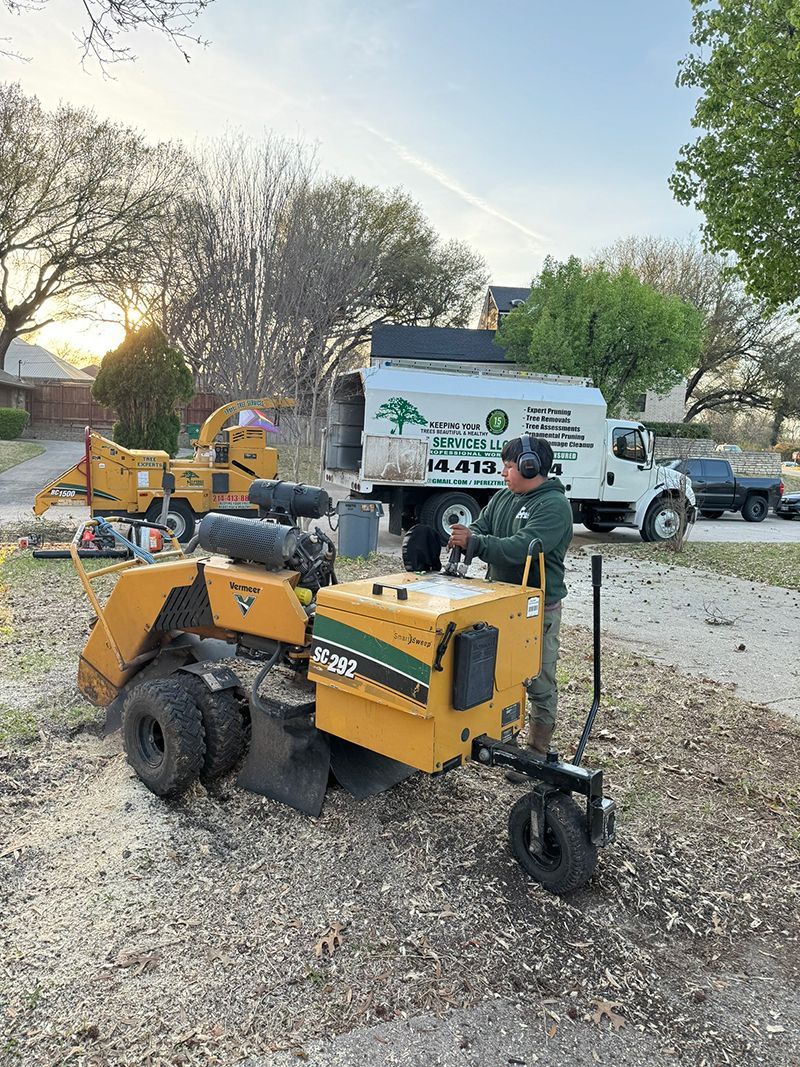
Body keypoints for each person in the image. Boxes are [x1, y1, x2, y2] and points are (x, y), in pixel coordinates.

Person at [448, 436, 573, 761]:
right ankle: (506, 735)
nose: (503, 472)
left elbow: (523, 546)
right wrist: (465, 536)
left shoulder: (554, 506)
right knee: (501, 674)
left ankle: (536, 749)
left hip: (537, 609)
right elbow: (482, 525)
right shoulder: (503, 498)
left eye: (509, 466)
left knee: (538, 679)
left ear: (530, 466)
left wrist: (477, 543)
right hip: (499, 605)